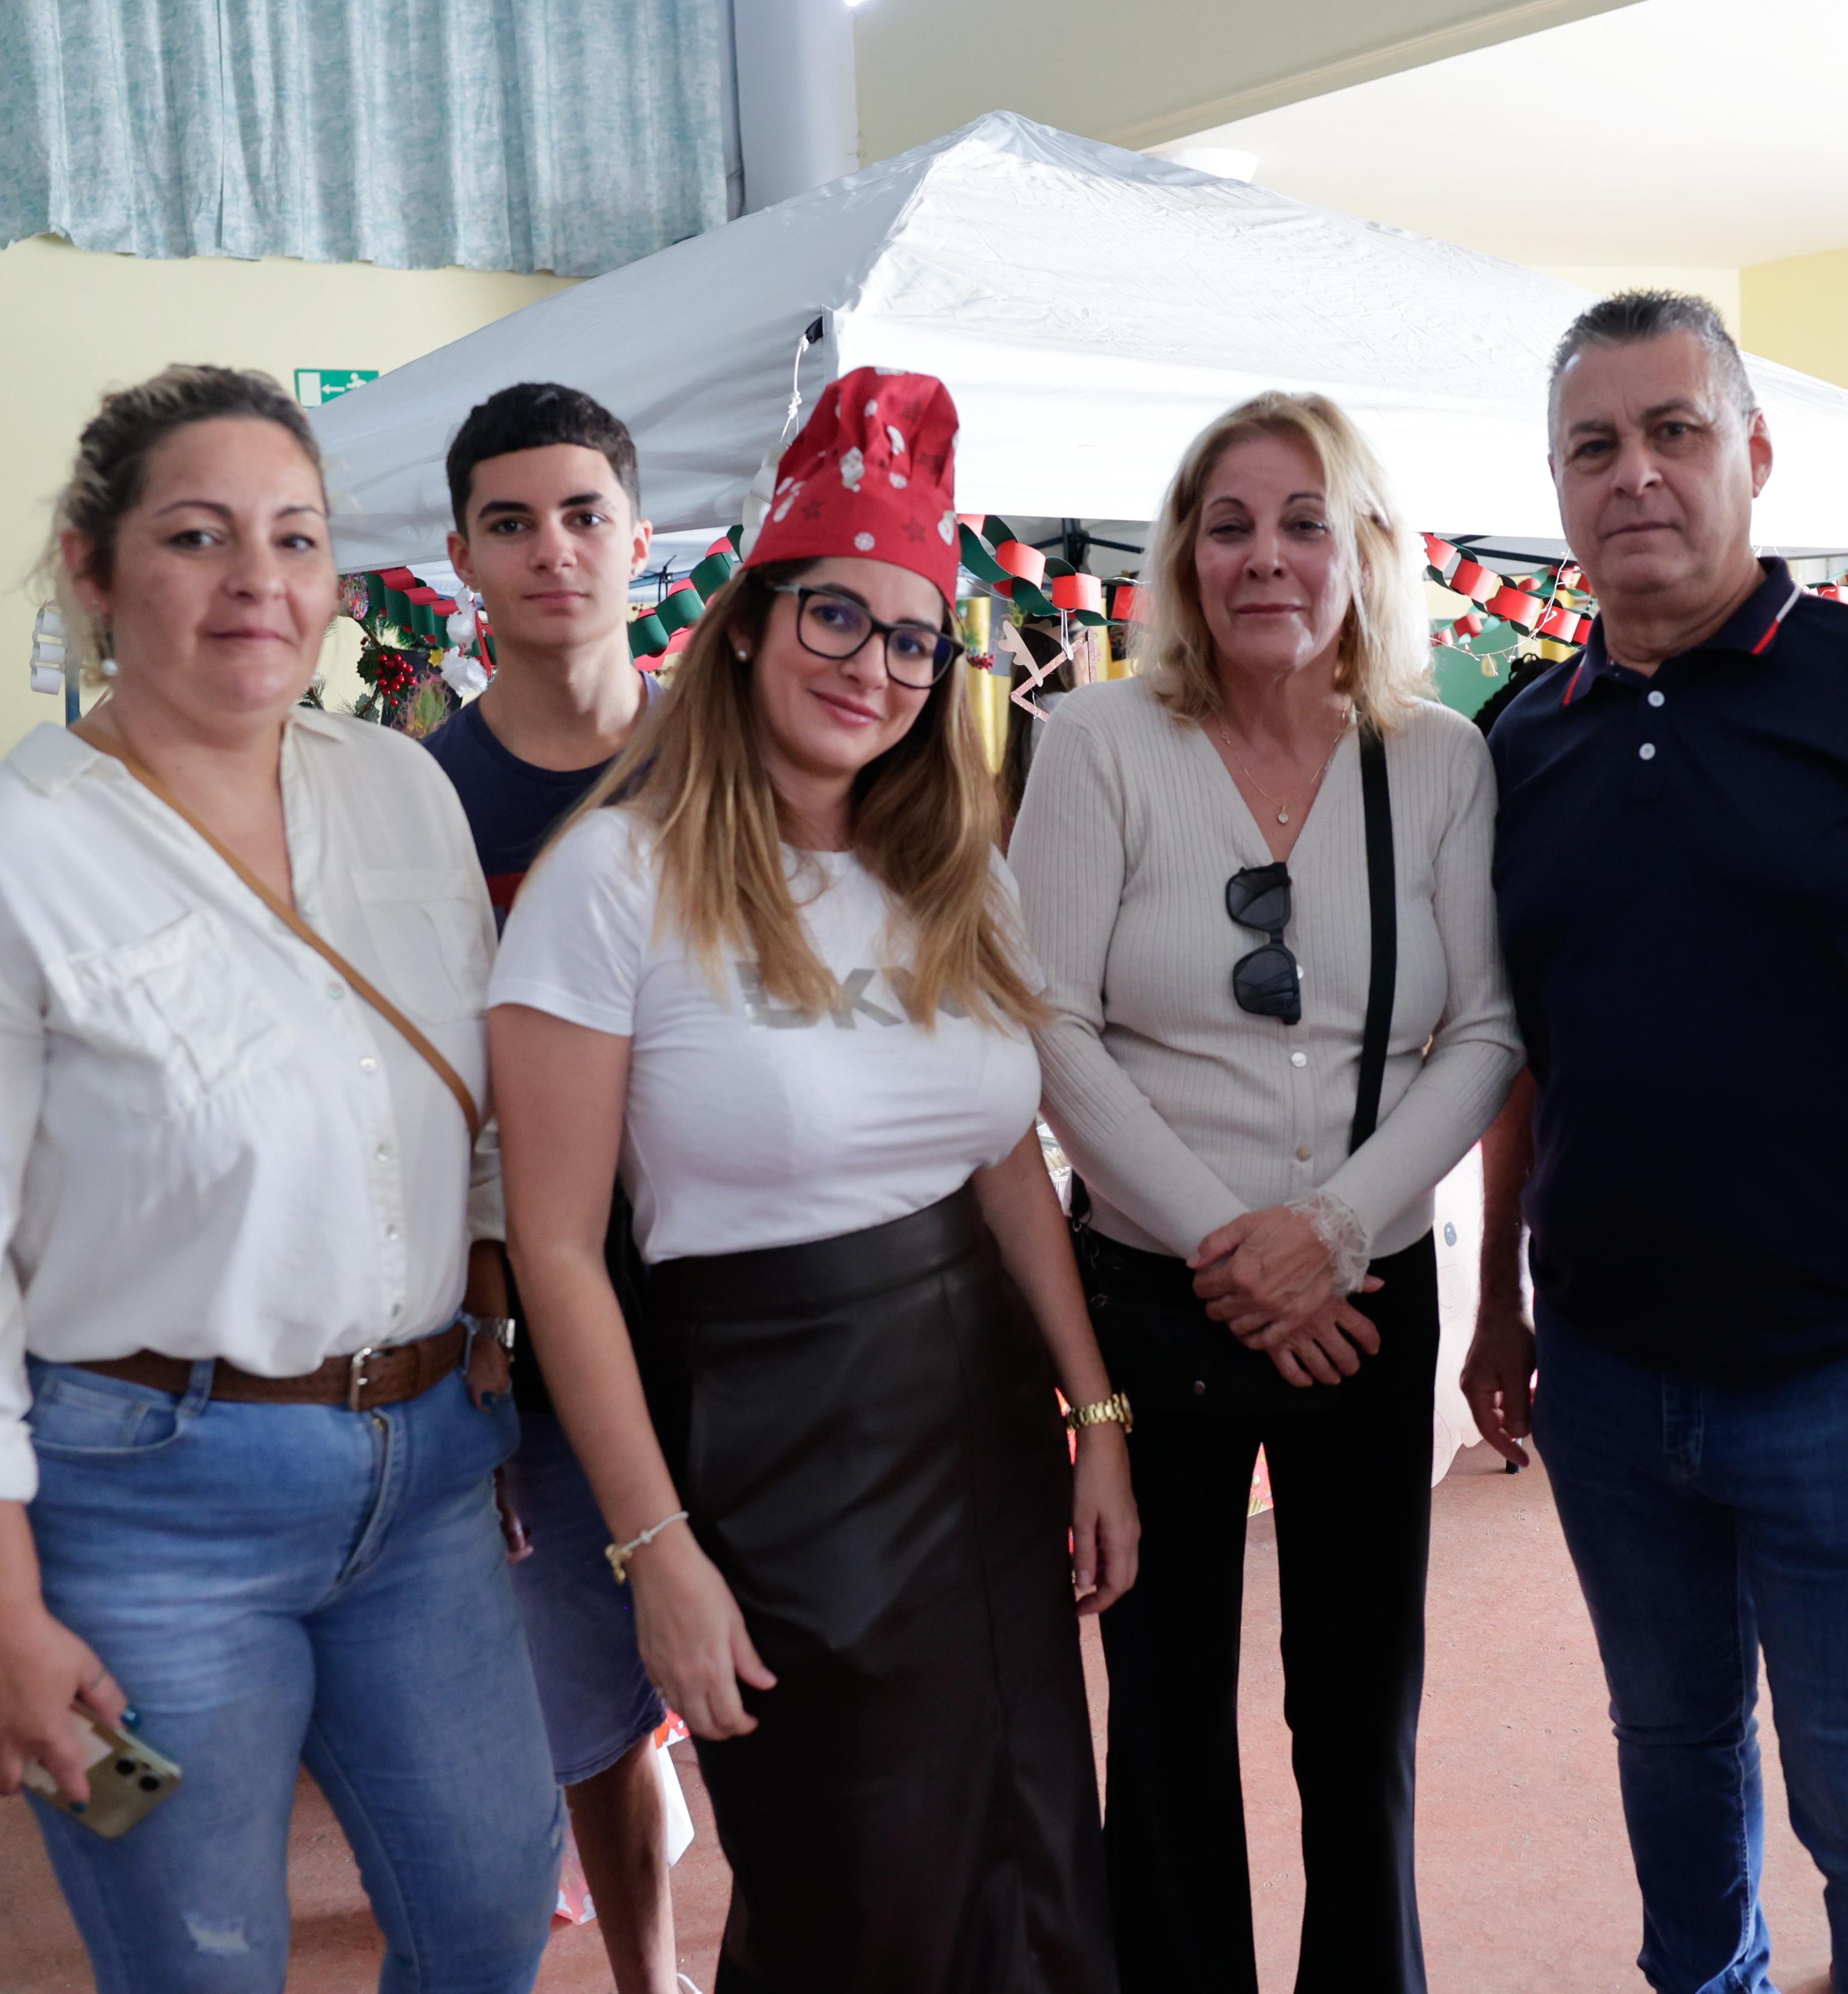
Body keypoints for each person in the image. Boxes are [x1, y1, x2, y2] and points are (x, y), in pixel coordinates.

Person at [0, 365, 559, 1990]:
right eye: (198, 536)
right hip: (150, 1509)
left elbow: (478, 1109)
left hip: (427, 1472)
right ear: (91, 567)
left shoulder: (398, 787)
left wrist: (491, 1289)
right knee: (204, 1960)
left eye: (294, 539)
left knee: (494, 1908)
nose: (257, 584)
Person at [487, 366, 1137, 1994]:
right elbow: (560, 1249)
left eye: (912, 636)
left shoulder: (948, 863)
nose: (873, 665)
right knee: (855, 1890)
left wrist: (1099, 1420)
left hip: (979, 1424)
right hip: (776, 1442)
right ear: (754, 621)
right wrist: (659, 1551)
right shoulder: (608, 880)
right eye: (835, 617)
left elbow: (1004, 1156)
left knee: (1031, 1854)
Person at [1468, 291, 1848, 1994]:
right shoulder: (1525, 740)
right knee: (1670, 1752)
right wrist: (1503, 1302)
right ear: (1558, 483)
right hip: (1608, 1375)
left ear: (1751, 451)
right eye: (1595, 444)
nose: (1636, 475)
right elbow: (1528, 1050)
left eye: (1675, 430)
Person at [1010, 390, 1521, 1994]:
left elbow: (1490, 1022)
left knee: (1358, 1705)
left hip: (1366, 1289)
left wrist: (1336, 1234)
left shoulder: (1438, 758)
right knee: (1161, 1706)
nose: (1266, 556)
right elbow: (1050, 1023)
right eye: (1228, 523)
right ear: (1182, 554)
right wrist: (1238, 1250)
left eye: (1305, 520)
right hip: (1159, 1299)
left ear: (1366, 550)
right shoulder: (1096, 744)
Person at [429, 381, 681, 1993]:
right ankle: (652, 1972)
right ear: (459, 555)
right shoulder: (416, 803)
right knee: (588, 1704)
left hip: (748, 1308)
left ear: (644, 543)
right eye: (511, 521)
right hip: (532, 1334)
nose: (552, 549)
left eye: (584, 512)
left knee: (783, 1680)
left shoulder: (736, 759)